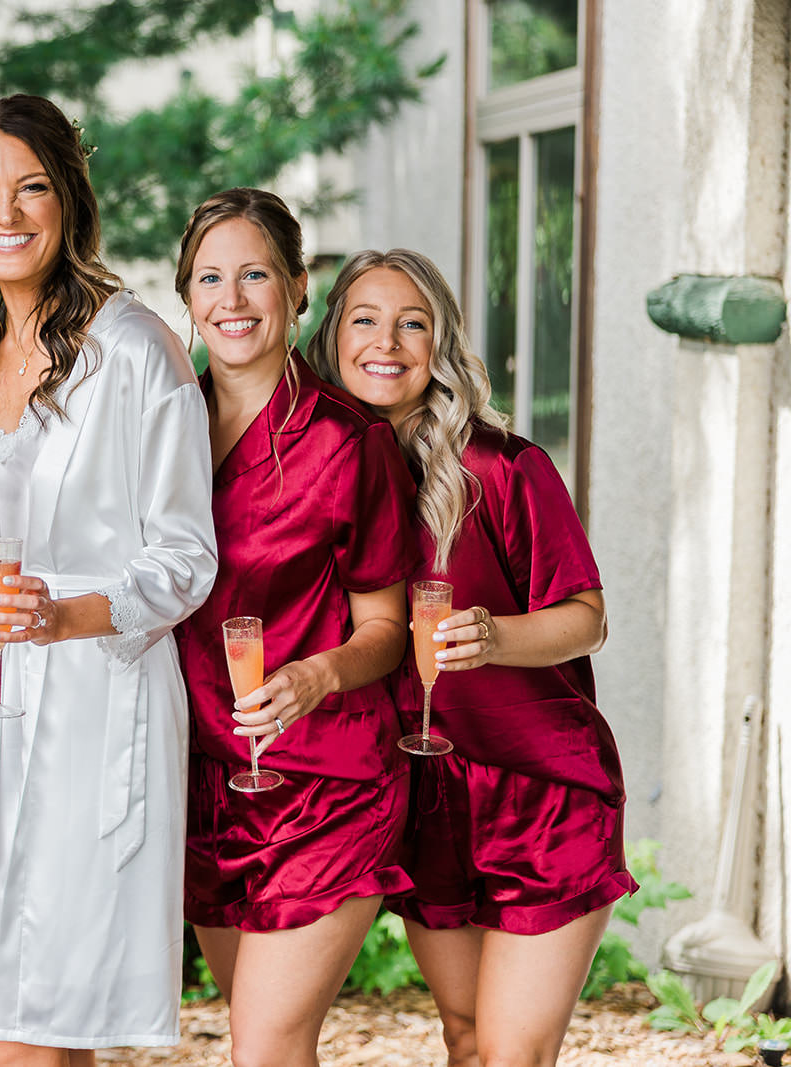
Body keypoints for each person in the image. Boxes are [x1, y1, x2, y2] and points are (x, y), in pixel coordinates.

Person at [0, 94, 218, 1066]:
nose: (5, 212)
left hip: (99, 707)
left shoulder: (134, 348)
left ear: (70, 198)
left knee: (24, 1027)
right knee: (34, 1017)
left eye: (31, 187)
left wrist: (67, 609)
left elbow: (185, 557)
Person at [311, 248, 638, 1067]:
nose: (387, 341)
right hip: (425, 794)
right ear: (332, 339)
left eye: (412, 322)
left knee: (509, 1053)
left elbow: (588, 619)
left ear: (440, 344)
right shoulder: (322, 478)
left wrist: (496, 635)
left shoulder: (501, 466)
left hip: (543, 791)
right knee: (462, 1037)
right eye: (365, 319)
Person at [172, 190, 419, 1067]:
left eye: (254, 275)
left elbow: (387, 626)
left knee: (267, 1042)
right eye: (210, 277)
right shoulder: (158, 431)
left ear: (296, 287)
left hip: (329, 781)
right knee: (259, 1036)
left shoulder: (352, 442)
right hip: (204, 783)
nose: (231, 299)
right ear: (187, 297)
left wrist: (317, 674)